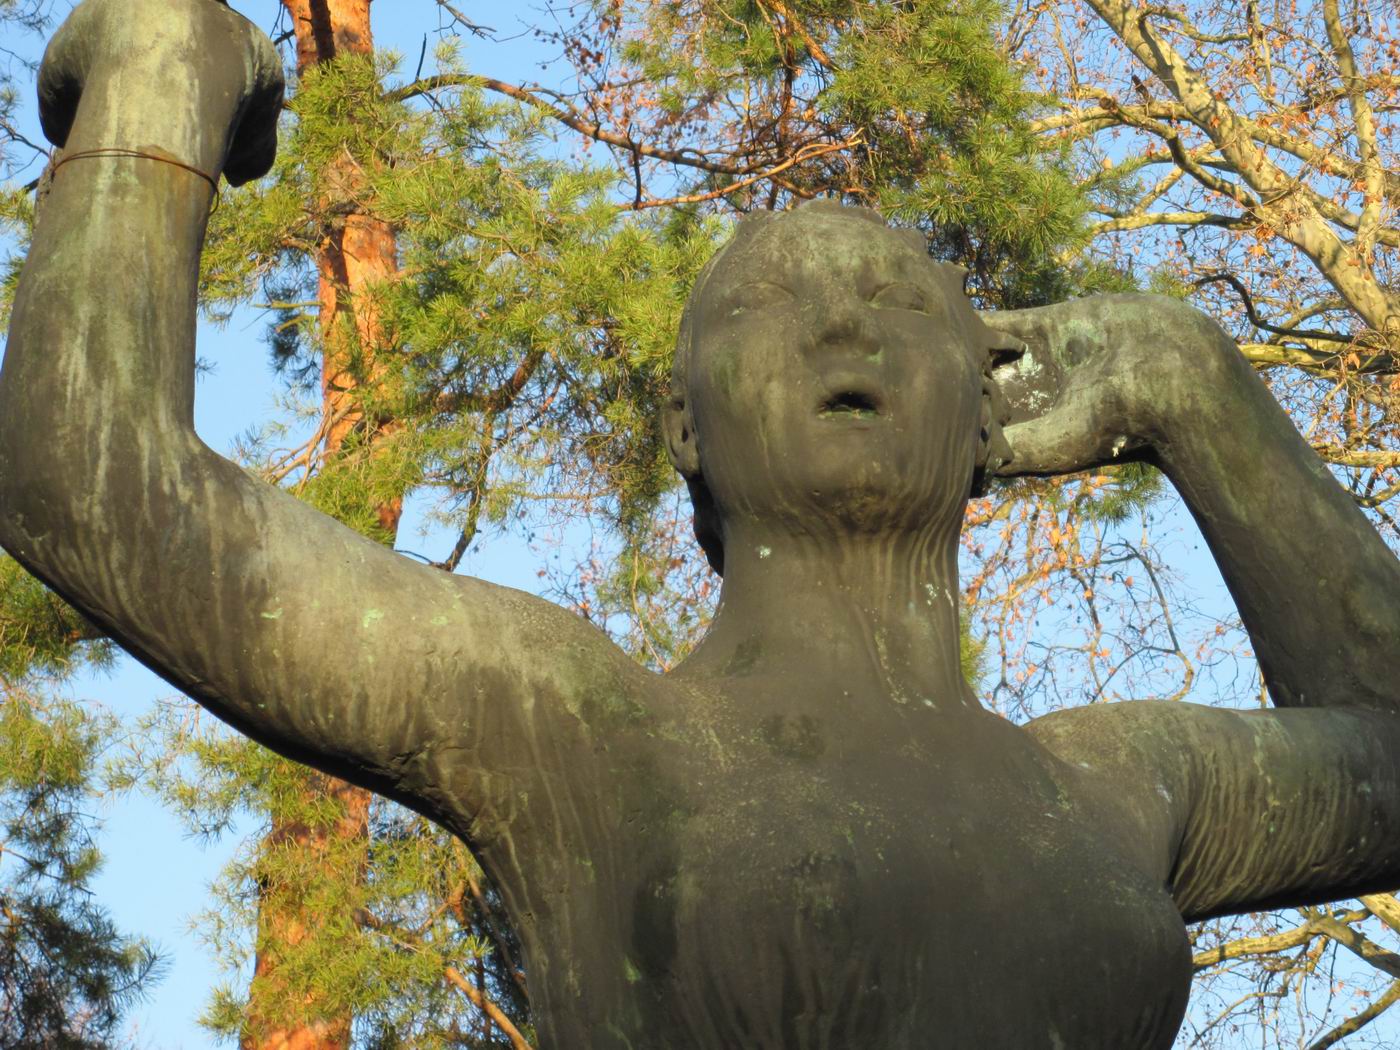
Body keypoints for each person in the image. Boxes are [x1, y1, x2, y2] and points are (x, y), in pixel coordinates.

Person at [1, 1, 1397, 1046]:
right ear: (685, 424)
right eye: (769, 302)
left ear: (989, 404)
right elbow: (87, 472)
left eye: (905, 300)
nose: (845, 321)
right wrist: (157, 77)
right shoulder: (579, 725)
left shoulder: (1111, 781)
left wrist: (1188, 384)